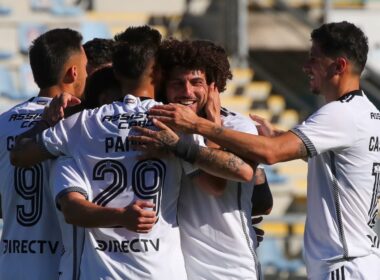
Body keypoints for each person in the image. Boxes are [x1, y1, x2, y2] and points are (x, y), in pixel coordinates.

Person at [10, 26, 255, 279]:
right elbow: (222, 182)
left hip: (101, 273)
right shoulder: (174, 122)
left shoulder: (80, 125)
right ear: (159, 73)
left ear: (115, 72)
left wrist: (50, 120)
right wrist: (182, 144)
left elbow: (19, 156)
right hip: (160, 272)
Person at [147, 21, 380, 279]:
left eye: (314, 59)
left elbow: (269, 153)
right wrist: (282, 139)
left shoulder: (340, 114)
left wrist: (199, 126)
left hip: (343, 264)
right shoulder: (367, 114)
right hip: (358, 259)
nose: (305, 66)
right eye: (177, 83)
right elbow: (337, 165)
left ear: (339, 66)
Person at [130, 38, 272, 280]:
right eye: (178, 83)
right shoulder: (159, 125)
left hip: (230, 269)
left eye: (196, 82)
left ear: (213, 86)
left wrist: (205, 128)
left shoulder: (238, 127)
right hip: (176, 268)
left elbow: (215, 185)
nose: (187, 92)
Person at [0, 28, 86, 280]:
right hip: (62, 266)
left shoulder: (3, 122)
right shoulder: (81, 124)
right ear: (74, 72)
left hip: (11, 267)